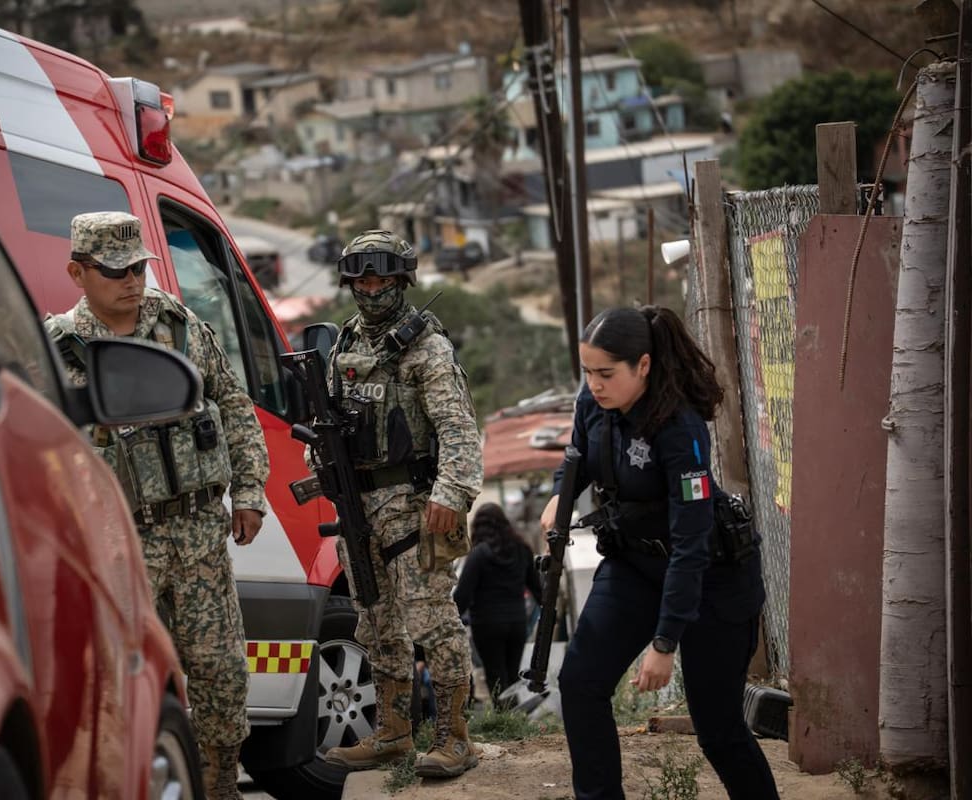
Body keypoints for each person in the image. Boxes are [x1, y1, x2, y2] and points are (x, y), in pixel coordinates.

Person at [44, 212, 269, 800]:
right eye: (115, 269)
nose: (132, 280)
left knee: (221, 676)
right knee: (126, 684)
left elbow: (236, 406)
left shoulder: (182, 329)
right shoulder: (60, 351)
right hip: (120, 548)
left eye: (139, 266)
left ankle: (219, 786)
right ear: (78, 271)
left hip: (197, 533)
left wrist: (248, 492)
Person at [540, 305, 779, 800]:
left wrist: (666, 642)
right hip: (634, 563)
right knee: (581, 683)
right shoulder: (594, 401)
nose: (595, 385)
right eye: (587, 373)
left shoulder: (679, 427)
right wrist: (559, 495)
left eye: (606, 374)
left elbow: (691, 544)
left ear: (643, 366)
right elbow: (577, 458)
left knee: (718, 730)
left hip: (712, 578)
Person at [318, 230, 483, 778]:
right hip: (358, 505)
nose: (369, 288)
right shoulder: (344, 343)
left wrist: (451, 495)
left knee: (432, 620)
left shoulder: (425, 347)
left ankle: (455, 736)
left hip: (413, 505)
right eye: (360, 278)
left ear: (401, 280)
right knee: (376, 621)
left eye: (380, 277)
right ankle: (392, 734)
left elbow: (458, 430)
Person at [454, 503, 543, 707]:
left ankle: (504, 718)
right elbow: (537, 590)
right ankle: (515, 717)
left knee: (495, 675)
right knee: (512, 674)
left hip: (487, 624)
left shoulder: (478, 555)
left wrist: (450, 620)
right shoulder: (523, 549)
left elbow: (463, 595)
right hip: (516, 622)